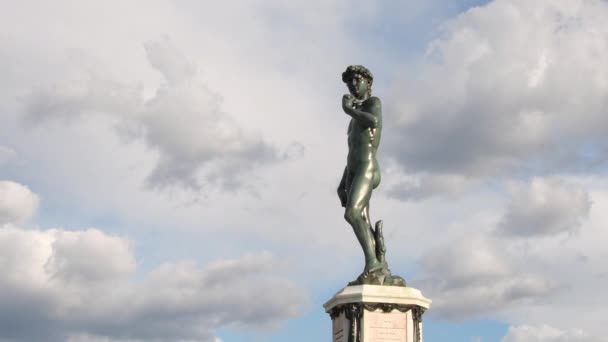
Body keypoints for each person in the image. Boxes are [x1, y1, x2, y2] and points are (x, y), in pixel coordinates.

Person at [337, 65, 385, 278]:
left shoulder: (372, 104)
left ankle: (373, 264)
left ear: (368, 83)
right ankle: (379, 260)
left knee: (352, 213)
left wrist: (349, 110)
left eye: (357, 80)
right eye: (350, 82)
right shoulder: (353, 120)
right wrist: (342, 181)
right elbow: (351, 151)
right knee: (362, 219)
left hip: (367, 167)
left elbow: (373, 121)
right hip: (353, 170)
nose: (353, 84)